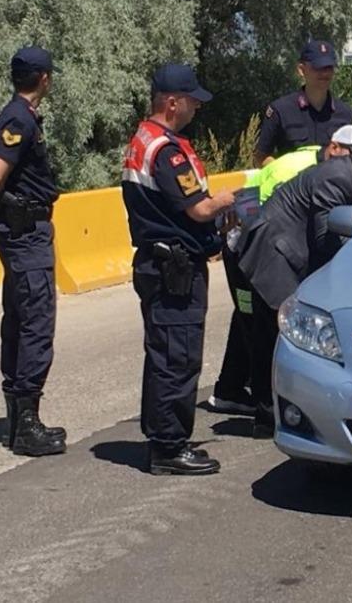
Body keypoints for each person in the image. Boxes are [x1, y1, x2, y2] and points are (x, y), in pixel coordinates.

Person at [236, 132, 352, 437]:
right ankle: (274, 413)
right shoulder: (339, 177)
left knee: (267, 333)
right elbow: (328, 235)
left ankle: (267, 413)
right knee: (283, 332)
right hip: (274, 252)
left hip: (280, 249)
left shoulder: (348, 176)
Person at [207, 124, 352, 415]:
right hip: (245, 247)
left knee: (252, 321)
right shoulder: (298, 169)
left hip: (261, 249)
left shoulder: (329, 170)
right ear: (335, 147)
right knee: (255, 323)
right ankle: (256, 400)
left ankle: (231, 390)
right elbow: (262, 215)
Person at [121, 63, 235, 476]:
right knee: (177, 355)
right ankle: (169, 446)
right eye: (191, 101)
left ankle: (163, 437)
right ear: (172, 102)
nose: (196, 108)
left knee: (163, 353)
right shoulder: (165, 151)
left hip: (161, 262)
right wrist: (233, 198)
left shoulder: (146, 140)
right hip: (174, 267)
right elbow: (200, 207)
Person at [0, 46, 67, 457]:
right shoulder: (20, 119)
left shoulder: (14, 114)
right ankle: (27, 424)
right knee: (35, 322)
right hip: (25, 234)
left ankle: (16, 419)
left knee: (19, 316)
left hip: (20, 230)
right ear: (43, 78)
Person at [254, 40, 352, 167]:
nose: (324, 73)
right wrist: (283, 172)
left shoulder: (345, 114)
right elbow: (260, 157)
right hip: (291, 185)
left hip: (330, 186)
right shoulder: (280, 110)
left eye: (328, 67)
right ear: (301, 70)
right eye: (318, 67)